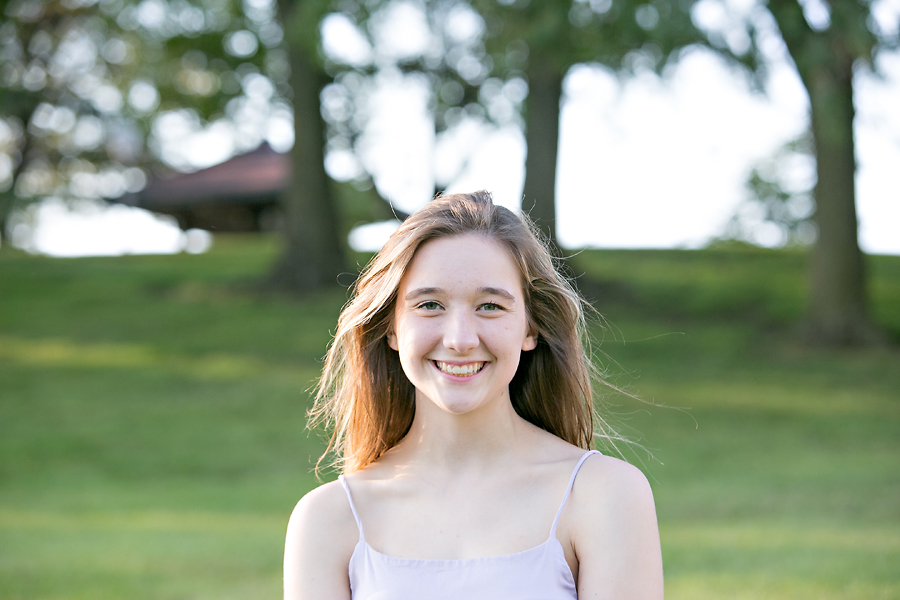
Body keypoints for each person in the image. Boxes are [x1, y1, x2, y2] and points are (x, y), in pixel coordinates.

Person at [283, 191, 663, 599]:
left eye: (490, 306)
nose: (460, 339)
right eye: (430, 305)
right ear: (391, 328)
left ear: (531, 328)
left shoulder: (603, 495)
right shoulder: (329, 519)